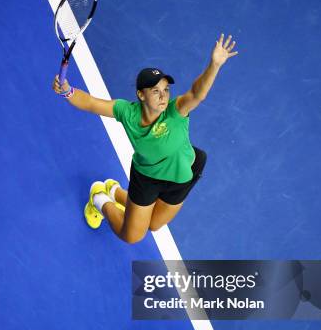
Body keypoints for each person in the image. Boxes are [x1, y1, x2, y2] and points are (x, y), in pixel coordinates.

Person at [52, 33, 238, 243]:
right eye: (155, 90)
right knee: (131, 235)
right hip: (147, 177)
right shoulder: (127, 112)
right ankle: (99, 197)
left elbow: (197, 93)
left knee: (154, 224)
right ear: (141, 95)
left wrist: (214, 65)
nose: (163, 96)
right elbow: (92, 103)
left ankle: (114, 190)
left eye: (166, 90)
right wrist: (67, 91)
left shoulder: (176, 111)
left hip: (183, 174)